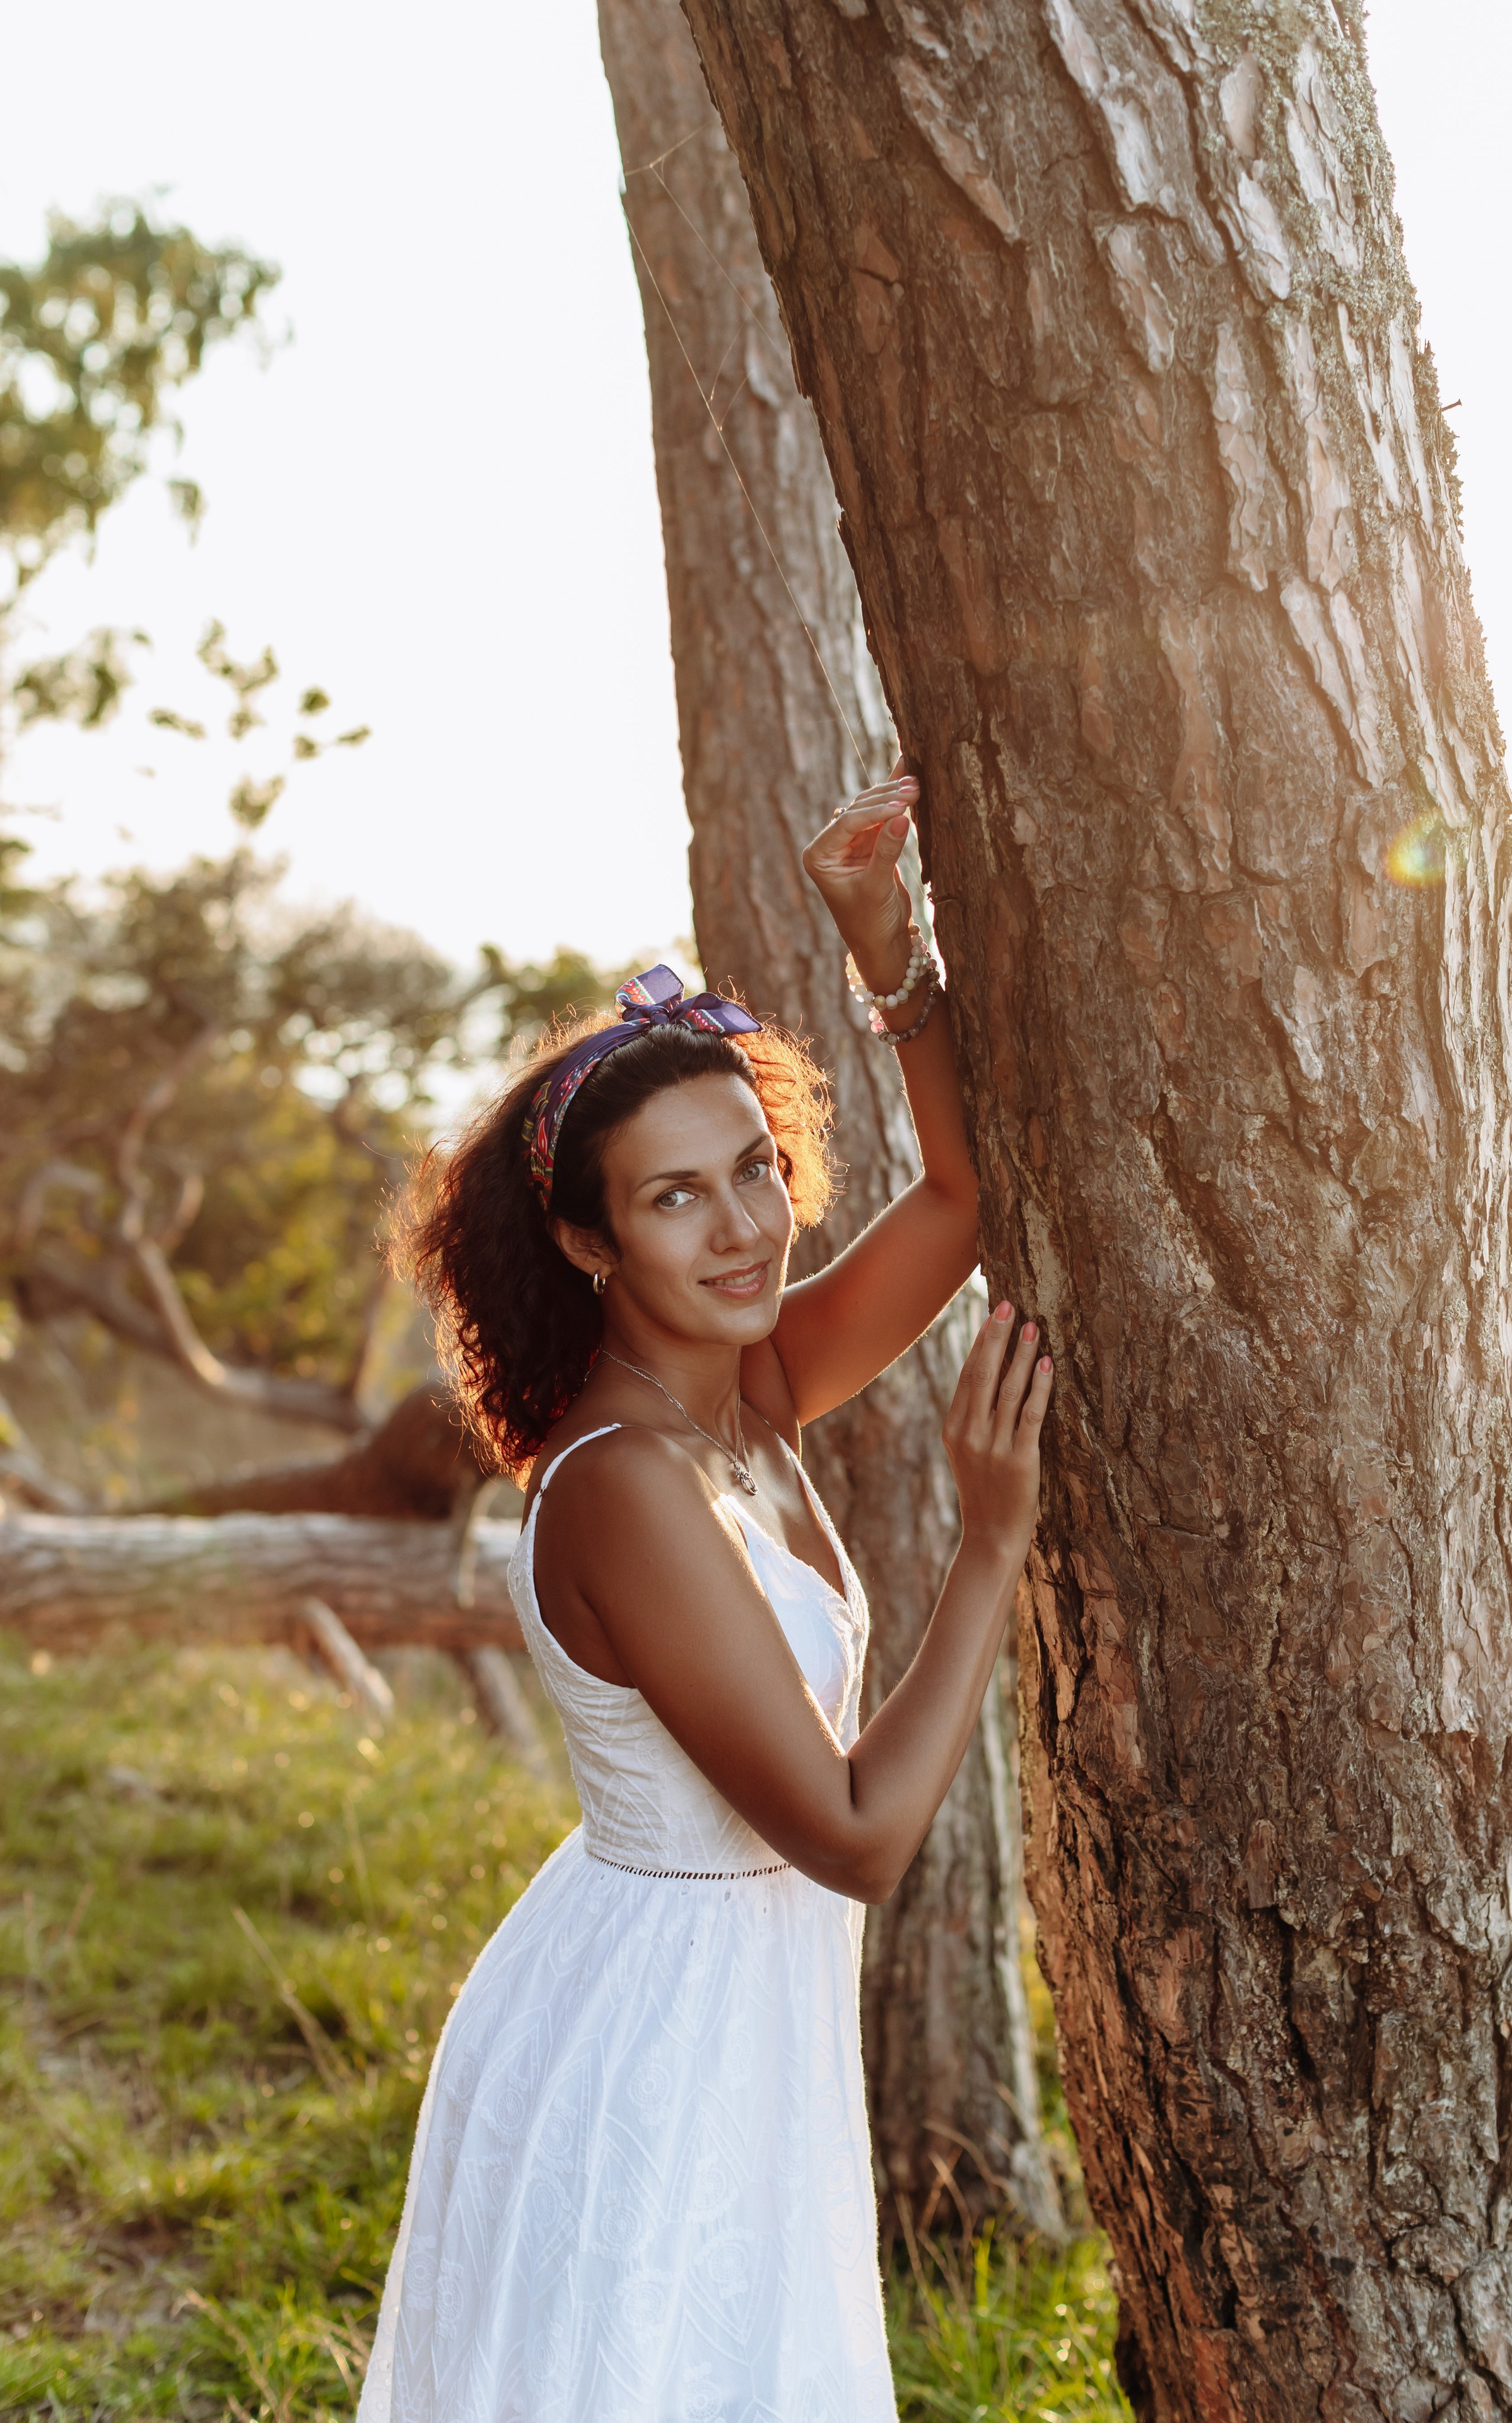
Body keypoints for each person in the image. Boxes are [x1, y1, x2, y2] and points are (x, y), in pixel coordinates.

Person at [357, 767, 1052, 2422]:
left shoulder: (743, 1388)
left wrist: (891, 950)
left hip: (739, 2025)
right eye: (677, 1197)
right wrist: (986, 1546)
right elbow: (862, 1835)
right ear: (591, 1244)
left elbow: (958, 1204)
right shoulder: (626, 1487)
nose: (747, 1229)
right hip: (647, 2056)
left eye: (753, 1167)